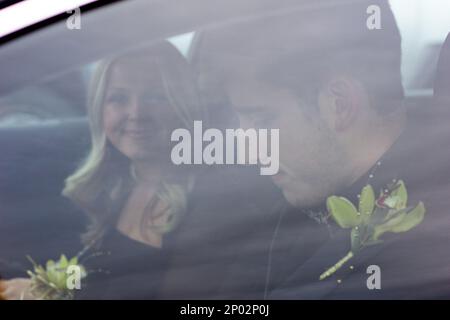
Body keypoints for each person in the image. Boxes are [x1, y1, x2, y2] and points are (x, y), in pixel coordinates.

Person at [195, 0, 450, 298]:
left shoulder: (425, 262)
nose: (251, 153)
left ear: (338, 104)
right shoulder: (294, 193)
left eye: (262, 120)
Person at [1, 40, 207, 299]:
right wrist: (45, 288)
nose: (136, 113)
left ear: (183, 105)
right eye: (118, 99)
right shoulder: (119, 183)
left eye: (155, 97)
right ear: (99, 110)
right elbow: (98, 275)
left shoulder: (204, 204)